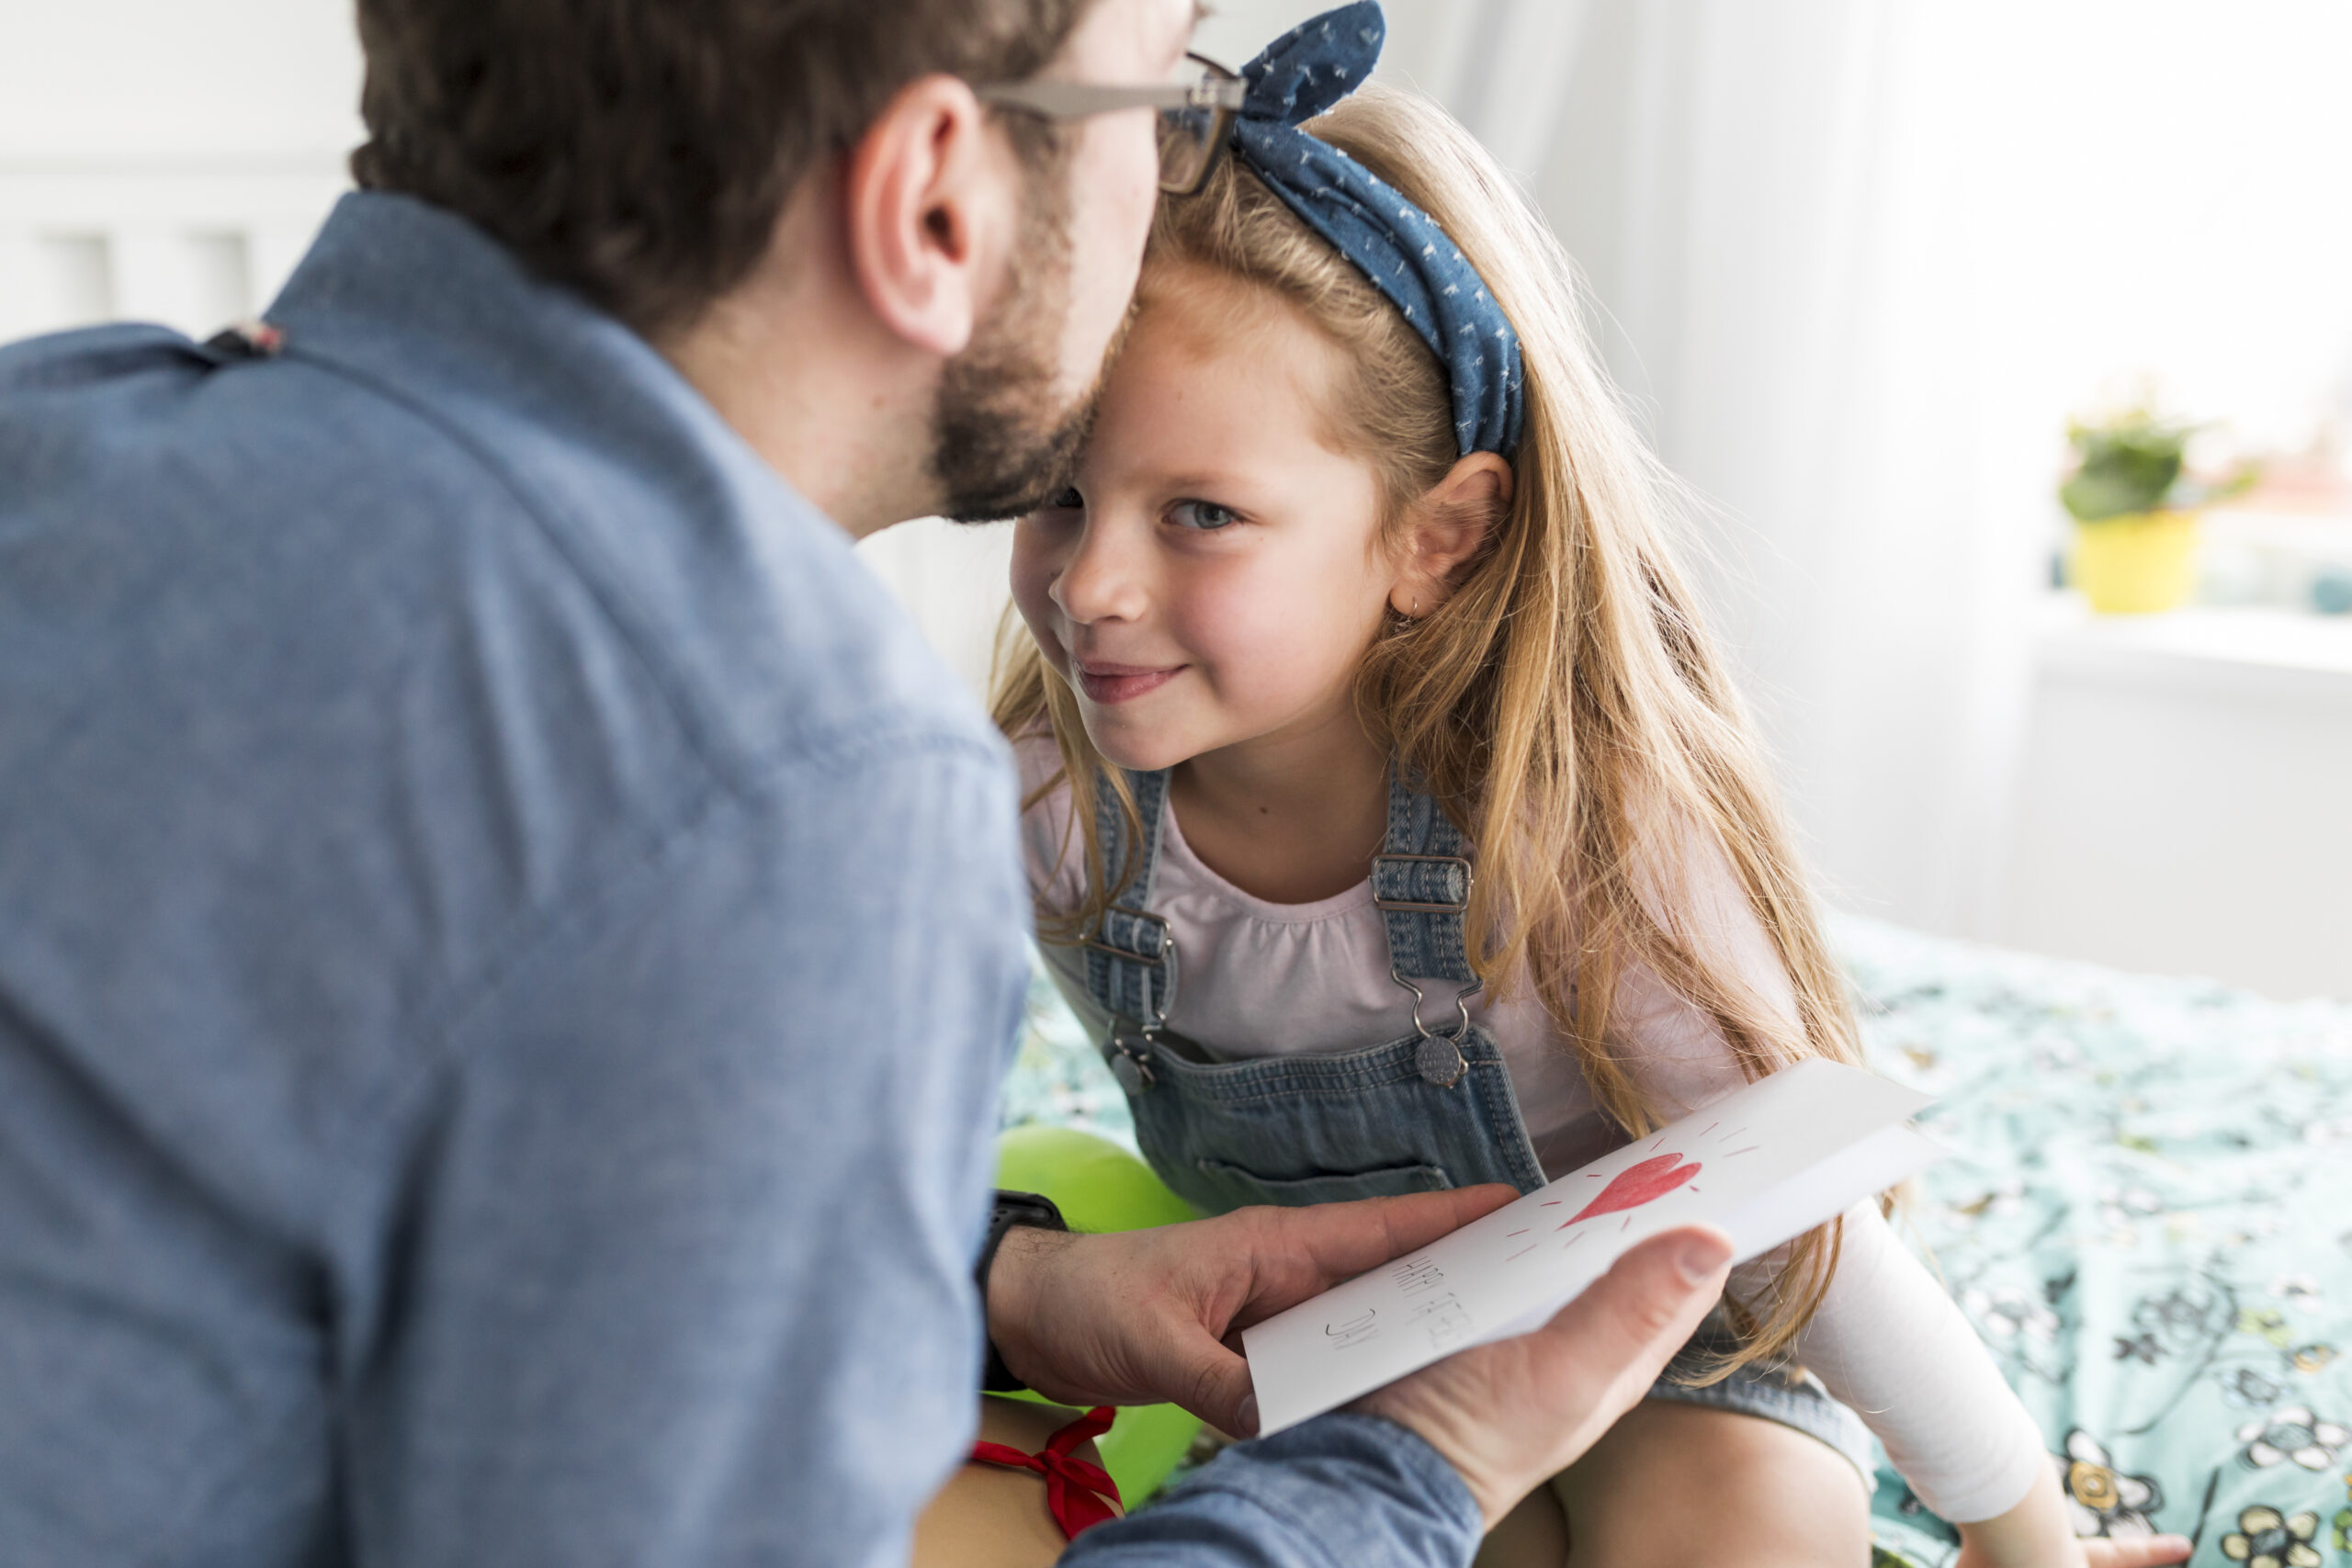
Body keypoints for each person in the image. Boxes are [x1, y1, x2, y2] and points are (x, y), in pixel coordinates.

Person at [0, 0, 1738, 1563]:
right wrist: (1410, 1460)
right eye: (1163, 98)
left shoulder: (45, 436)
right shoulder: (782, 772)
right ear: (932, 200)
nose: (1179, 173)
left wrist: (1009, 1282)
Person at [992, 10, 2194, 1567]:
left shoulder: (1571, 838)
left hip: (1685, 1335)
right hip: (1356, 1354)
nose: (1090, 584)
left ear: (1437, 534)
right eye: (1055, 494)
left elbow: (1800, 1210)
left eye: (1202, 513)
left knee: (1732, 1537)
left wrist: (2020, 1531)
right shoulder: (1043, 812)